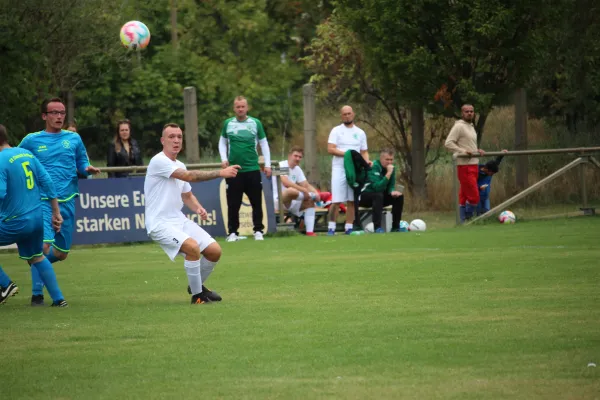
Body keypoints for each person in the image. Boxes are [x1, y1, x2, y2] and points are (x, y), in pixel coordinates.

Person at [145, 123, 241, 304]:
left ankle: (196, 285)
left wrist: (197, 208)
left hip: (178, 220)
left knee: (214, 251)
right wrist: (221, 172)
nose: (176, 140)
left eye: (179, 137)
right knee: (193, 248)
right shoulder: (159, 161)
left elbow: (187, 195)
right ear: (162, 140)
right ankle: (198, 296)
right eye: (171, 136)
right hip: (159, 223)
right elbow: (189, 177)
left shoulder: (179, 164)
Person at [19, 97, 101, 306]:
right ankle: (38, 294)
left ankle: (38, 265)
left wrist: (86, 169)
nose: (59, 116)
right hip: (43, 201)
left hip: (68, 199)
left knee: (61, 253)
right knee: (44, 247)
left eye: (62, 112)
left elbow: (82, 161)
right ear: (44, 116)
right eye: (54, 112)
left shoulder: (73, 139)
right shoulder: (31, 140)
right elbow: (16, 160)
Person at [0, 124, 68, 307]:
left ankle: (5, 285)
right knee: (37, 257)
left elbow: (0, 193)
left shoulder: (0, 160)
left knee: (37, 256)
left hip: (15, 221)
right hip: (37, 220)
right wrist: (56, 212)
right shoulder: (26, 154)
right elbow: (47, 182)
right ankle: (59, 299)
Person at [218, 96, 272, 242]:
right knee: (233, 203)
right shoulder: (228, 123)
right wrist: (224, 159)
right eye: (238, 107)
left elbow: (264, 144)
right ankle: (233, 233)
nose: (240, 109)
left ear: (247, 108)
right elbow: (222, 143)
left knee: (256, 201)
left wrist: (267, 164)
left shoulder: (255, 123)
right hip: (233, 170)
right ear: (234, 108)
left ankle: (258, 231)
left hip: (252, 168)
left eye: (243, 106)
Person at [326, 105, 370, 235]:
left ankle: (349, 227)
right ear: (341, 116)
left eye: (349, 113)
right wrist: (347, 155)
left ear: (353, 114)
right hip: (339, 167)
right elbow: (331, 149)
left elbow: (364, 151)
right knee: (336, 200)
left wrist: (366, 161)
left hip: (355, 169)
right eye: (344, 114)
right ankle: (331, 227)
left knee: (352, 199)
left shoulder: (360, 133)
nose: (347, 116)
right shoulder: (336, 131)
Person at [444, 104, 485, 223]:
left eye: (471, 111)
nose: (469, 113)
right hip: (464, 165)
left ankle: (462, 221)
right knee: (474, 196)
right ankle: (468, 217)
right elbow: (449, 143)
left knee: (464, 195)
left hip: (474, 164)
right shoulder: (459, 126)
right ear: (462, 113)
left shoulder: (471, 126)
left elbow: (468, 144)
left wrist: (477, 150)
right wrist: (462, 151)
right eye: (467, 111)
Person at [272, 146, 320, 236]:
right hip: (277, 201)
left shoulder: (297, 169)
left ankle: (310, 232)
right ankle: (309, 195)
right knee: (291, 191)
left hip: (291, 201)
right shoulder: (280, 165)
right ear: (290, 155)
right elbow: (285, 182)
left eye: (300, 157)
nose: (298, 158)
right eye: (296, 156)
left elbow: (306, 185)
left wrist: (316, 193)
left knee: (310, 202)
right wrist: (304, 191)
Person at [359, 149, 405, 233]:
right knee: (378, 195)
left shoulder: (391, 168)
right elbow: (377, 187)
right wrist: (388, 174)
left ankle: (395, 227)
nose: (389, 162)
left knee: (399, 197)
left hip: (378, 196)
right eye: (387, 159)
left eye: (391, 160)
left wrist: (392, 192)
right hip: (364, 196)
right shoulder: (374, 166)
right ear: (381, 159)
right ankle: (377, 228)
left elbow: (391, 185)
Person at [477, 151, 507, 215]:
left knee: (487, 213)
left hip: (486, 197)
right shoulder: (476, 172)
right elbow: (470, 184)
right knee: (478, 214)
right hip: (477, 197)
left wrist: (501, 154)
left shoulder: (491, 168)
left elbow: (497, 162)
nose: (492, 175)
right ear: (487, 169)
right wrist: (479, 188)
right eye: (492, 173)